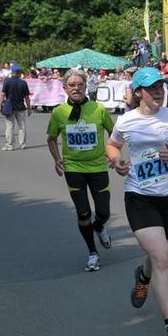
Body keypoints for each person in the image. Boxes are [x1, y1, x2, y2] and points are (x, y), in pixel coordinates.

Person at [106, 67, 168, 336]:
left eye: (161, 86)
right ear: (139, 92)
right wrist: (117, 161)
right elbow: (112, 145)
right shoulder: (126, 121)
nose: (159, 92)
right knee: (162, 258)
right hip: (140, 196)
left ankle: (144, 276)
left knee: (159, 256)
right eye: (152, 88)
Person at [47, 69, 116, 272]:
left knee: (103, 212)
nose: (76, 88)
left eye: (80, 85)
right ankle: (93, 253)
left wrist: (113, 154)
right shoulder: (58, 112)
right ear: (65, 88)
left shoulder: (99, 109)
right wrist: (57, 159)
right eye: (71, 85)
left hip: (98, 167)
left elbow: (114, 134)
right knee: (83, 214)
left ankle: (99, 226)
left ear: (86, 87)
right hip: (73, 168)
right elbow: (51, 139)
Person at [1, 64, 31, 151]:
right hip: (21, 106)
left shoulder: (7, 81)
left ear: (12, 72)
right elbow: (27, 97)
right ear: (19, 72)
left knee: (9, 126)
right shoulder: (23, 83)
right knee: (22, 126)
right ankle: (22, 144)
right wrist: (29, 108)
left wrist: (1, 105)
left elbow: (2, 94)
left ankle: (9, 145)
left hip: (9, 106)